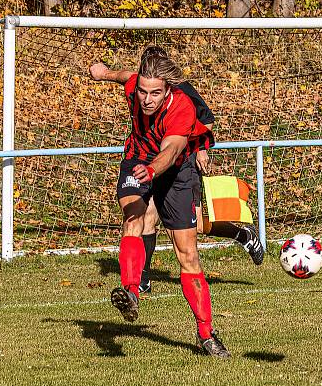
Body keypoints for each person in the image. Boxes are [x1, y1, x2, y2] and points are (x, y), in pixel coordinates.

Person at [89, 53, 231, 358]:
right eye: (142, 91)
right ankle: (130, 290)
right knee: (133, 219)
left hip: (175, 171)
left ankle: (206, 335)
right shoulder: (134, 86)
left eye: (155, 93)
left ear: (168, 89)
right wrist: (103, 73)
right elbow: (125, 76)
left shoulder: (182, 107)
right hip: (137, 161)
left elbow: (172, 148)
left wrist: (153, 170)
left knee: (188, 255)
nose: (147, 99)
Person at [93, 46, 264, 297]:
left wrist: (199, 149)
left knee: (196, 227)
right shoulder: (141, 85)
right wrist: (104, 73)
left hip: (182, 160)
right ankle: (141, 279)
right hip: (149, 162)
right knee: (144, 217)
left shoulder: (181, 91)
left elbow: (206, 118)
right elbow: (124, 76)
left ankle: (240, 233)